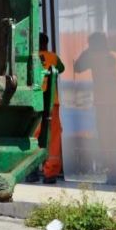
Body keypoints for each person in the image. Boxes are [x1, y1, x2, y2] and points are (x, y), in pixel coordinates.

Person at [74, 32, 116, 184]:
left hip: (104, 104)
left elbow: (77, 67)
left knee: (106, 140)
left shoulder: (93, 56)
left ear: (93, 44)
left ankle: (113, 174)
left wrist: (87, 50)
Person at [37, 33, 65, 184]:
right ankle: (50, 174)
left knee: (34, 137)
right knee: (53, 137)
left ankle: (31, 171)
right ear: (46, 44)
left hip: (34, 104)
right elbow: (61, 68)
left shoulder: (31, 58)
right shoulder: (53, 57)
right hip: (51, 103)